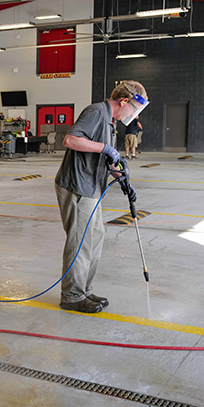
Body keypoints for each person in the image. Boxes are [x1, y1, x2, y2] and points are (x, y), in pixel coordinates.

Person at [54, 81, 148, 313]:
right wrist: (104, 148)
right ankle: (72, 295)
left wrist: (122, 177)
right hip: (77, 185)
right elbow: (71, 140)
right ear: (124, 101)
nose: (134, 114)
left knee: (96, 237)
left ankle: (84, 290)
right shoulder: (97, 111)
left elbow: (108, 158)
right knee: (80, 241)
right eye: (134, 108)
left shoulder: (111, 122)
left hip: (92, 187)